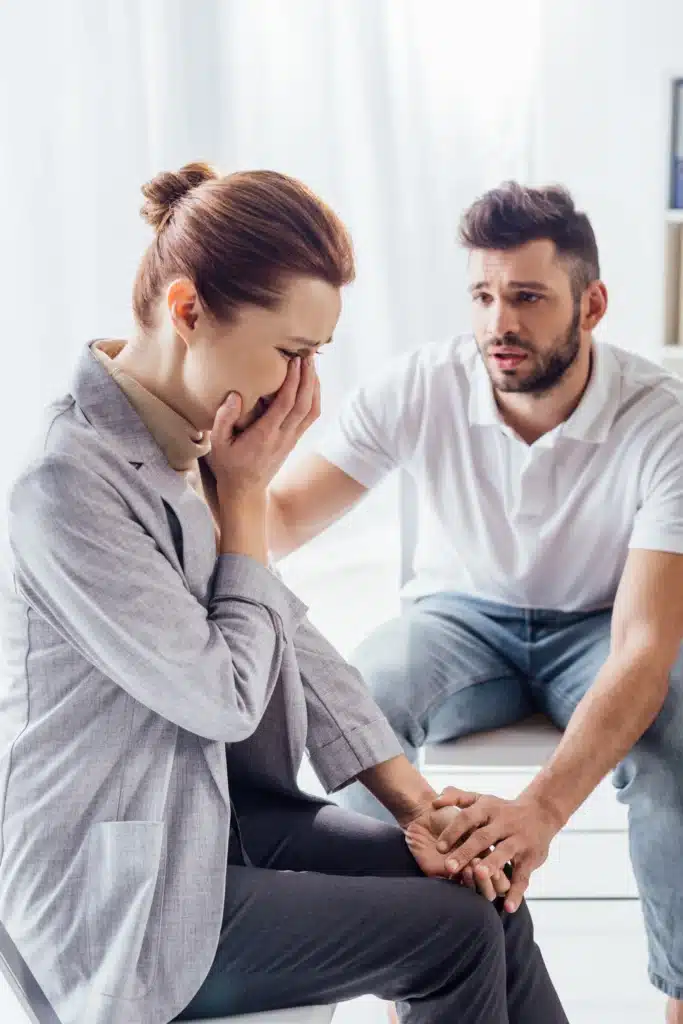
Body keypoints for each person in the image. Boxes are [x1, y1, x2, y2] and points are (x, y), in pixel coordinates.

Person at [0, 164, 567, 1024]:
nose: (301, 392)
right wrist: (245, 503)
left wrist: (424, 811)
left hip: (218, 824)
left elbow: (287, 638)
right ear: (188, 312)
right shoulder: (66, 484)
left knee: (483, 895)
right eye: (290, 353)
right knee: (449, 934)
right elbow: (221, 696)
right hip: (117, 883)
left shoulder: (189, 438)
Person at [268, 181, 683, 1022]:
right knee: (361, 697)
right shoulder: (419, 384)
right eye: (484, 296)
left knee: (678, 731)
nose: (500, 323)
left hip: (597, 626)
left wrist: (538, 813)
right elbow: (277, 517)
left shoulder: (661, 422)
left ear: (591, 303)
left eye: (527, 297)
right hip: (459, 620)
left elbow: (642, 647)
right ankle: (415, 975)